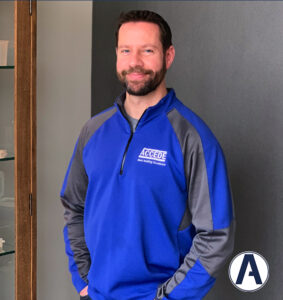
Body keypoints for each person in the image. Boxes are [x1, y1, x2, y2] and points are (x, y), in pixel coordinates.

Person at [60, 10, 235, 300]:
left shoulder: (192, 137)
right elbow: (73, 206)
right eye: (126, 50)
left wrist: (168, 297)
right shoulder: (93, 131)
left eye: (148, 50)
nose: (135, 62)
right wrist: (83, 280)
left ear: (168, 56)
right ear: (117, 54)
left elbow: (216, 236)